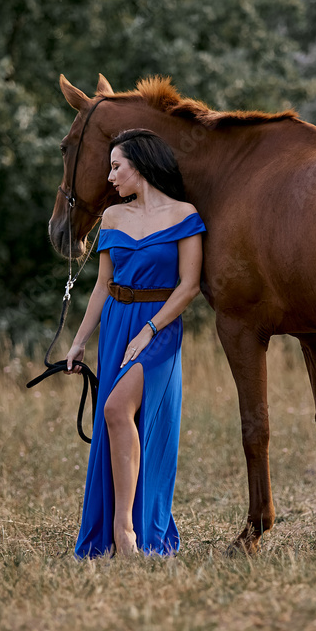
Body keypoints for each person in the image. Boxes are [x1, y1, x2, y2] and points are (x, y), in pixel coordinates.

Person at [64, 128, 205, 557]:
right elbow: (102, 285)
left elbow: (189, 286)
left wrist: (150, 330)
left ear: (140, 164)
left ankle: (125, 530)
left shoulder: (184, 214)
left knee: (115, 409)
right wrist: (79, 341)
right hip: (116, 323)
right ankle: (113, 534)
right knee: (116, 418)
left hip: (159, 327)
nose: (110, 177)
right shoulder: (112, 217)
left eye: (115, 166)